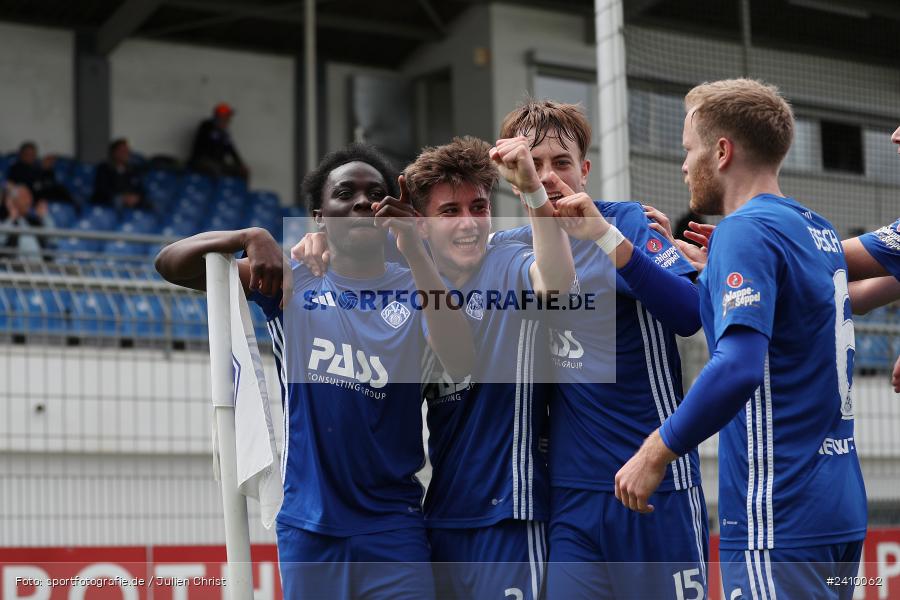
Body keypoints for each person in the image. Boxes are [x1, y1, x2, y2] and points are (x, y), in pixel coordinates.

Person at [156, 143, 474, 600]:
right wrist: (249, 235)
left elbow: (461, 360)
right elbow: (171, 263)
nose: (362, 202)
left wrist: (413, 249)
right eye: (345, 193)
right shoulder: (292, 281)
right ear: (320, 216)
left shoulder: (418, 286)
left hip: (393, 529)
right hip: (309, 529)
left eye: (375, 194)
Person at [615, 79, 867, 600]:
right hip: (839, 514)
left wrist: (656, 450)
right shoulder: (816, 229)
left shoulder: (744, 230)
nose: (684, 165)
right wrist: (714, 272)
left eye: (689, 149)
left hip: (778, 516)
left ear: (722, 152)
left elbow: (738, 366)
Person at [488, 100, 708, 599]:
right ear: (514, 176)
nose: (548, 176)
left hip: (655, 483)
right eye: (534, 163)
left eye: (561, 162)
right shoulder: (508, 247)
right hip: (573, 496)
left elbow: (689, 314)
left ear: (584, 170)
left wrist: (614, 243)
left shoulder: (625, 221)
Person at [402, 136, 575, 600]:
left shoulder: (507, 261)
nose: (468, 223)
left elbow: (557, 281)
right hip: (441, 517)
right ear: (421, 225)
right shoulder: (411, 284)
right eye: (449, 212)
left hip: (510, 516)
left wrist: (533, 189)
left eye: (478, 207)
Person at [188, 103, 249, 180]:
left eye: (228, 118)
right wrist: (219, 133)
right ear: (219, 117)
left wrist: (241, 164)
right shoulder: (206, 126)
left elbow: (231, 150)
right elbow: (207, 147)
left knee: (242, 171)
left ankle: (237, 188)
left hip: (218, 163)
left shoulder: (224, 134)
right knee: (216, 170)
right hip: (201, 160)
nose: (228, 120)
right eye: (225, 117)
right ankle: (217, 188)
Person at [7, 141, 72, 206]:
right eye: (27, 154)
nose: (30, 157)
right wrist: (43, 169)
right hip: (33, 196)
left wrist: (47, 170)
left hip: (48, 192)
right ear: (21, 155)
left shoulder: (37, 166)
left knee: (62, 190)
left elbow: (50, 181)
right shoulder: (16, 168)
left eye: (33, 154)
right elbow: (27, 183)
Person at [92, 138, 148, 210]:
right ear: (114, 152)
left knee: (150, 204)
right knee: (117, 201)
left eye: (127, 151)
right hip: (110, 200)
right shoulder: (103, 168)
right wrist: (123, 197)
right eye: (122, 151)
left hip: (131, 200)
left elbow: (140, 188)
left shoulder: (134, 169)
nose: (126, 154)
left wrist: (136, 197)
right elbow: (102, 189)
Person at [0, 183, 50, 260]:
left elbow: (52, 239)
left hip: (40, 264)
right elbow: (1, 240)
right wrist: (12, 218)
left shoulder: (34, 221)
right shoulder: (5, 219)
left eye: (30, 197)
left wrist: (45, 217)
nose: (29, 201)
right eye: (24, 197)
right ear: (13, 201)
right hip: (16, 265)